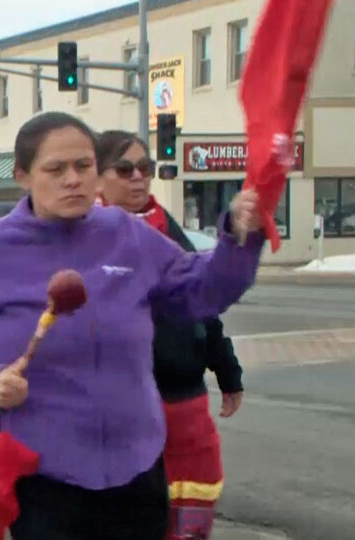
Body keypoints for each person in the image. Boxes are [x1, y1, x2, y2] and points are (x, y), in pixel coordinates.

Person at [0, 112, 263, 540]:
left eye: (83, 166)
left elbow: (201, 291)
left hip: (137, 466)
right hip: (44, 474)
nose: (73, 180)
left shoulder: (125, 234)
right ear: (23, 176)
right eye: (55, 169)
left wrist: (238, 239)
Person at [96, 130, 244, 539]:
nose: (139, 178)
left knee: (189, 519)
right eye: (125, 169)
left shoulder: (167, 232)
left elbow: (204, 308)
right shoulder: (85, 239)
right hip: (120, 411)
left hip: (184, 402)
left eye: (146, 168)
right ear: (98, 177)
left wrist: (227, 371)